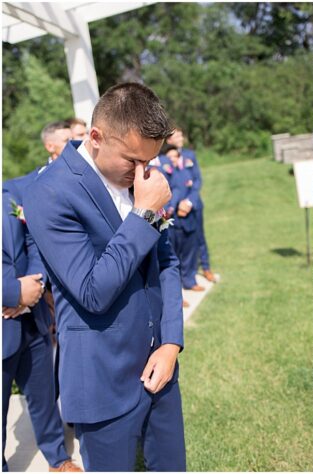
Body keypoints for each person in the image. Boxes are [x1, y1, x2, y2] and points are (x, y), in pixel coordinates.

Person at [23, 83, 185, 470]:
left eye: (150, 160)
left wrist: (171, 343)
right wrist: (144, 214)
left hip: (159, 366)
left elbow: (167, 263)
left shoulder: (138, 178)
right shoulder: (49, 193)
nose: (142, 171)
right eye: (133, 160)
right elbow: (94, 291)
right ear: (95, 137)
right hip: (102, 379)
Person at [2, 179, 82, 472]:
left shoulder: (9, 193)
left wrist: (33, 285)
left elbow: (32, 239)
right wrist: (12, 293)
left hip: (32, 318)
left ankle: (58, 457)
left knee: (44, 395)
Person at [158, 145, 204, 293]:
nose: (172, 160)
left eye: (175, 157)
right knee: (173, 255)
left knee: (190, 251)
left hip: (188, 216)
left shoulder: (185, 172)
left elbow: (195, 189)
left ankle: (190, 281)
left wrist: (188, 203)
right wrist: (172, 207)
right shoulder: (163, 174)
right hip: (172, 221)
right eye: (169, 157)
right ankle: (176, 290)